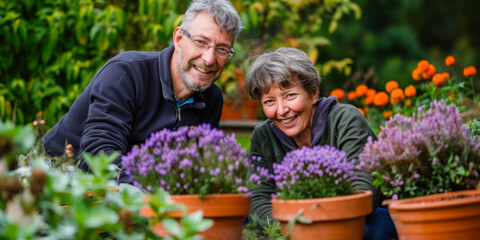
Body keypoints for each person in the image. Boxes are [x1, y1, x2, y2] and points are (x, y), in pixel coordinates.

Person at [43, 0, 242, 183]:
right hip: (56, 180)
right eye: (200, 42)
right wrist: (158, 185)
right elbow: (98, 155)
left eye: (222, 49)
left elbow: (194, 168)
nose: (209, 59)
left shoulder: (211, 98)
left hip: (132, 199)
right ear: (179, 38)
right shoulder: (127, 73)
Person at [245, 48, 397, 239]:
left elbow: (363, 188)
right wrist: (295, 231)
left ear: (313, 93)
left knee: (379, 223)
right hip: (293, 229)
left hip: (350, 223)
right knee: (246, 223)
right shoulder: (263, 136)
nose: (282, 110)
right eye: (269, 101)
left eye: (290, 95)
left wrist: (317, 229)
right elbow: (259, 199)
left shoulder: (345, 119)